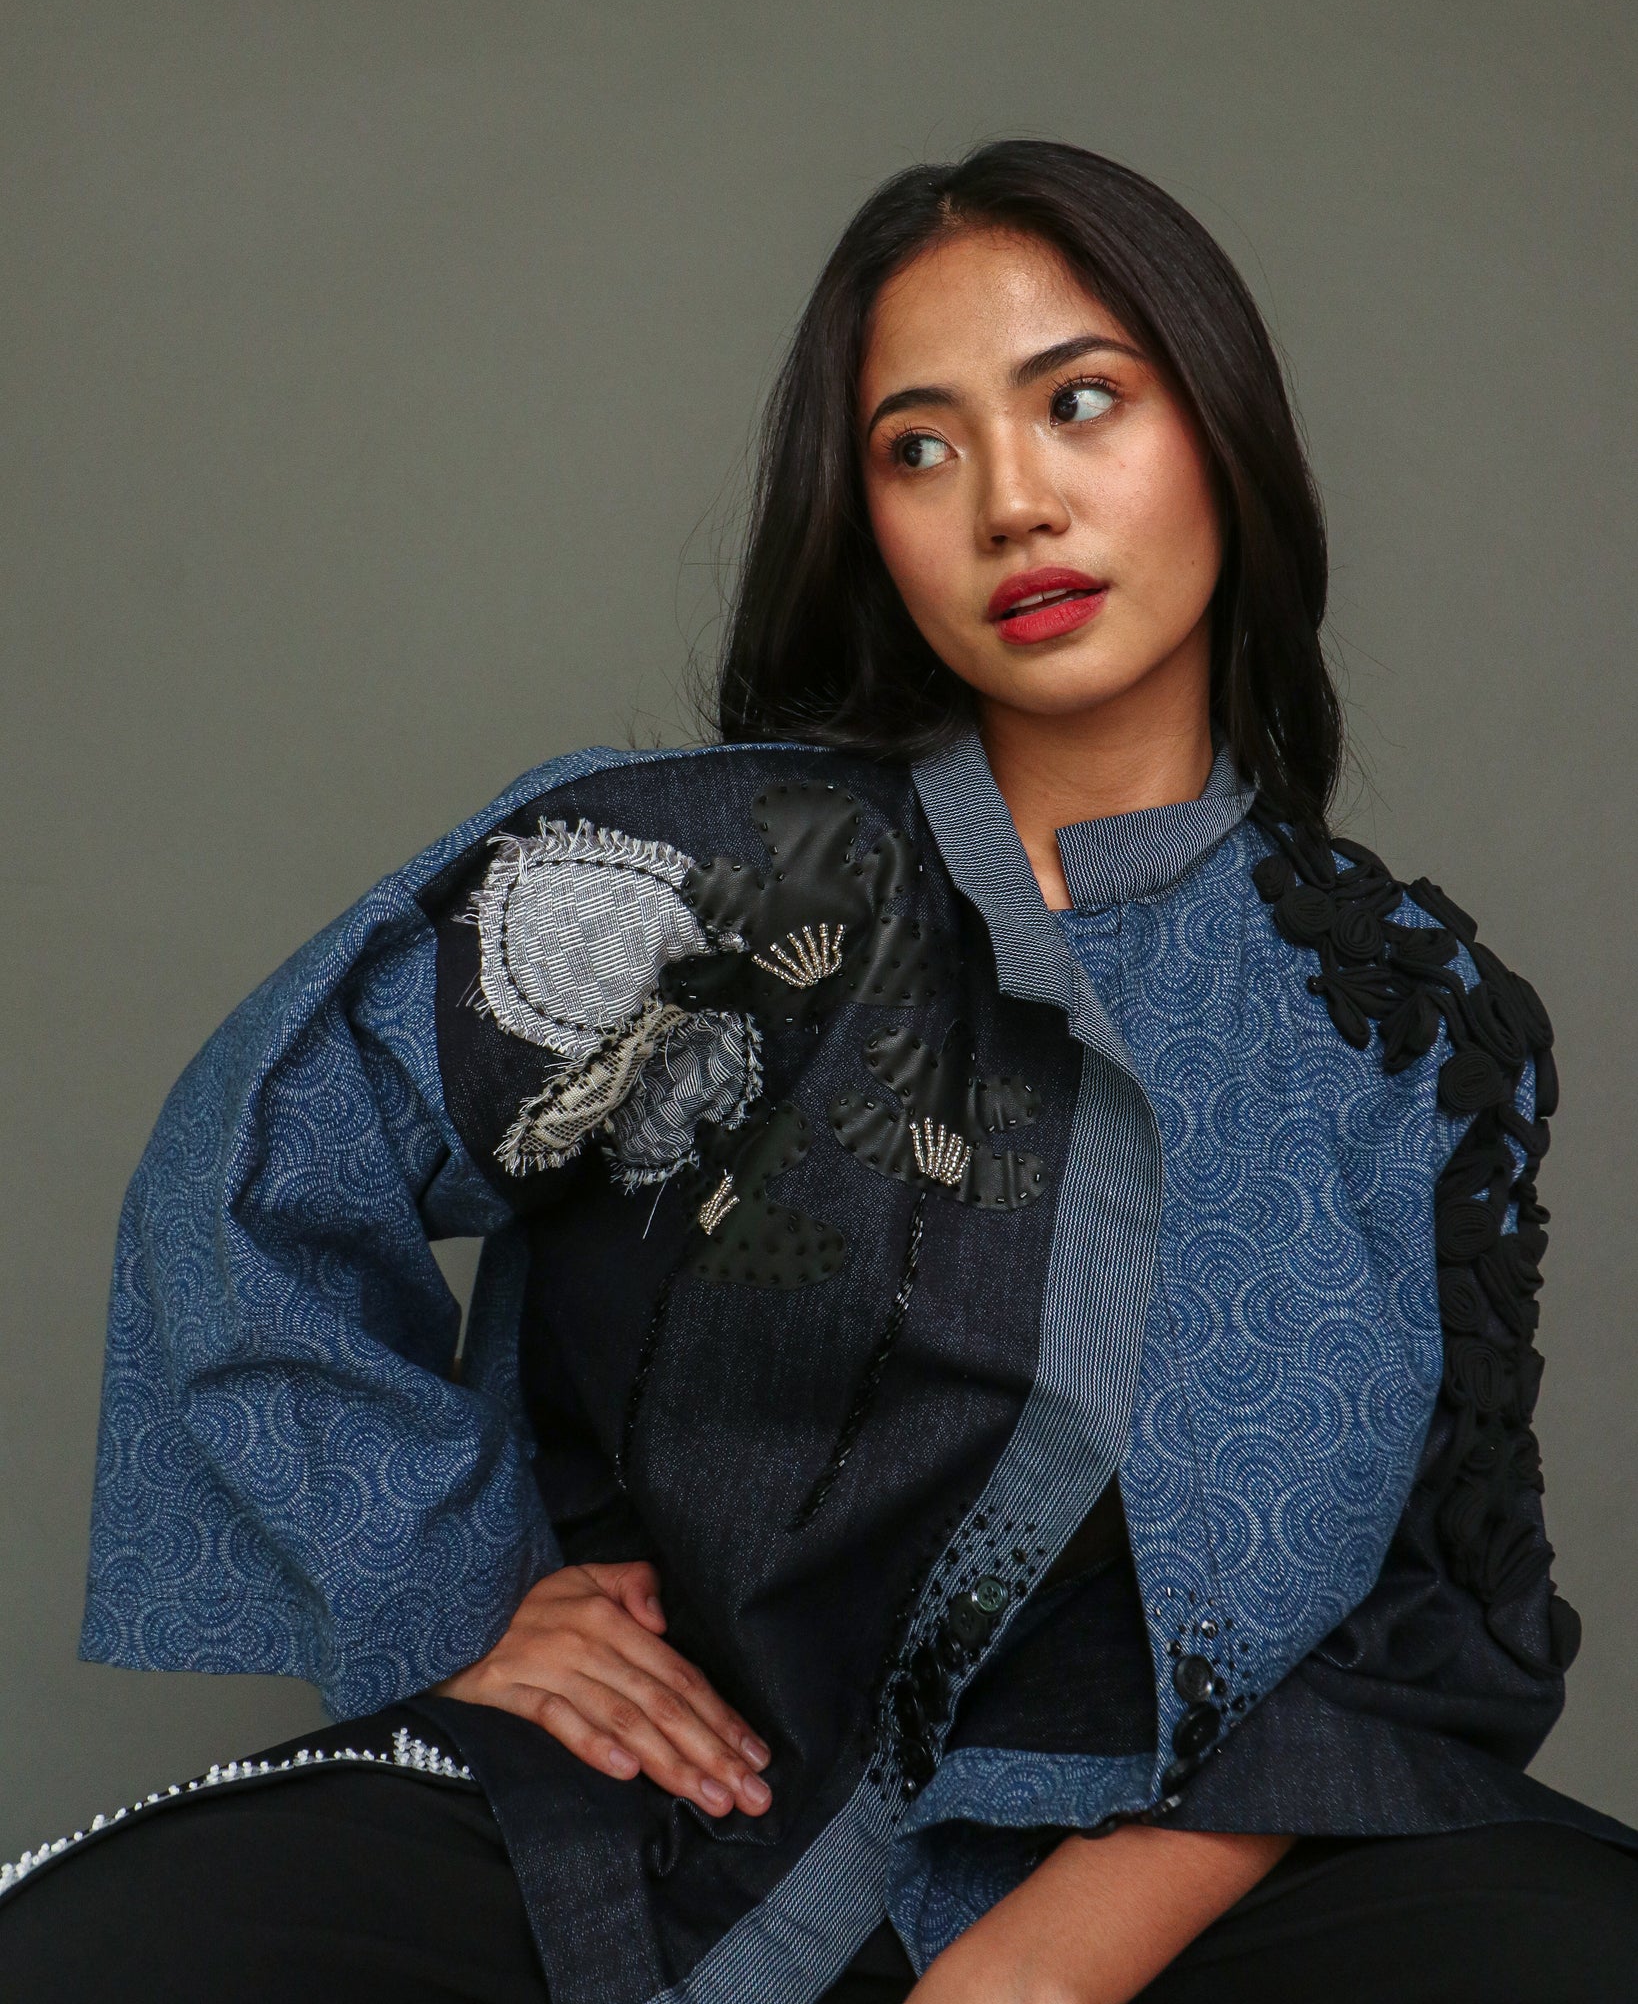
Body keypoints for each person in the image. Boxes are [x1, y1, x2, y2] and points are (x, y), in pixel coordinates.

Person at [2, 140, 1633, 2003]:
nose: (1012, 503)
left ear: (1220, 427)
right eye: (918, 449)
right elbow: (261, 1160)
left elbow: (1434, 1609)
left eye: (1078, 403)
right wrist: (458, 1600)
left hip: (1184, 1868)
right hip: (652, 1811)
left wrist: (1055, 1961)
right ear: (864, 525)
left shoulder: (1408, 1014)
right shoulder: (726, 870)